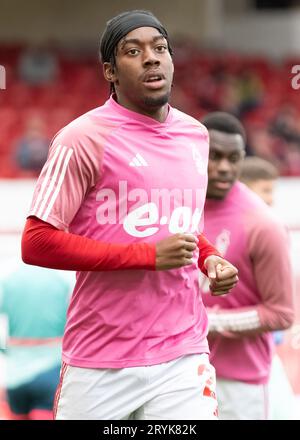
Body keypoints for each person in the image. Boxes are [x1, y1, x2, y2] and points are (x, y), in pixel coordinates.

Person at [21, 10, 238, 420]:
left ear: (172, 60)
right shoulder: (81, 138)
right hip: (101, 359)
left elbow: (185, 226)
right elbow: (36, 242)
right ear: (110, 71)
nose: (151, 58)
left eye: (160, 48)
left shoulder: (197, 134)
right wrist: (147, 256)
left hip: (182, 353)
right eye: (133, 51)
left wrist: (210, 257)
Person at [199, 111, 294, 420]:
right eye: (214, 156)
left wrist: (206, 322)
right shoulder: (172, 207)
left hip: (238, 385)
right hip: (175, 374)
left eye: (234, 158)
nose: (225, 167)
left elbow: (281, 313)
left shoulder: (263, 225)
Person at [239, 155, 297, 420]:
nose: (271, 199)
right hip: (241, 354)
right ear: (244, 190)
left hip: (263, 346)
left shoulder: (269, 230)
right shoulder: (237, 233)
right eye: (265, 191)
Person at [0, 263, 71, 420]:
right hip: (53, 371)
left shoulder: (8, 278)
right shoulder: (64, 278)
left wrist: (6, 349)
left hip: (15, 375)